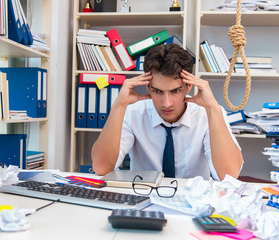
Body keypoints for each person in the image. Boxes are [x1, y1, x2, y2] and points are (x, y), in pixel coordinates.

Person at [91, 43, 243, 181]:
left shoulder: (208, 113)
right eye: (157, 91)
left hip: (192, 202)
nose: (166, 103)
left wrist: (213, 109)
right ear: (148, 87)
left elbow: (228, 175)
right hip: (143, 197)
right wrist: (118, 106)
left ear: (189, 86)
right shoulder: (133, 112)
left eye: (175, 91)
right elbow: (101, 168)